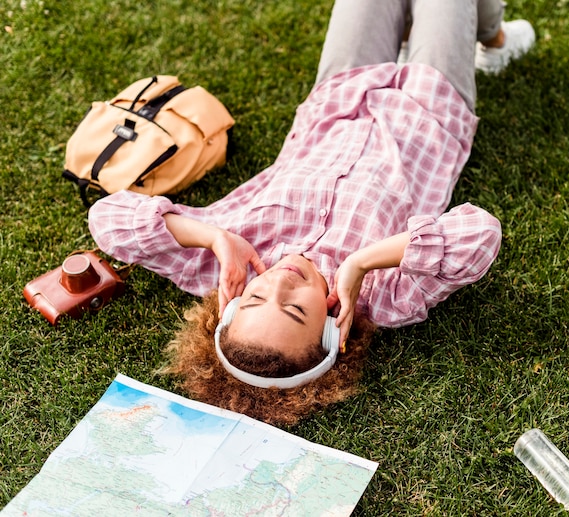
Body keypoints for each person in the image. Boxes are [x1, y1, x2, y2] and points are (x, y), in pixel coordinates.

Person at [88, 0, 535, 425]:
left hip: (339, 96)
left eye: (256, 299)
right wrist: (361, 263)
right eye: (296, 311)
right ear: (331, 335)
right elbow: (480, 234)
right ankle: (491, 41)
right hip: (432, 107)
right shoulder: (386, 298)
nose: (280, 282)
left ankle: (419, 39)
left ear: (230, 306)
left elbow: (108, 218)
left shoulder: (223, 262)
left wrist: (212, 237)